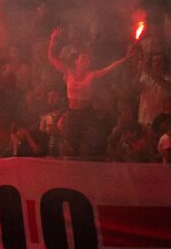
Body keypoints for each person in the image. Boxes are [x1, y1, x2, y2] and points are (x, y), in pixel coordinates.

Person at [47, 27, 135, 156]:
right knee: (70, 144)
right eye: (82, 58)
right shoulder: (68, 72)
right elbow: (51, 57)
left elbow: (110, 68)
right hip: (73, 113)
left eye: (87, 59)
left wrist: (125, 58)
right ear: (77, 61)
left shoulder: (91, 75)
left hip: (86, 112)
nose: (85, 60)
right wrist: (53, 39)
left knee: (94, 142)